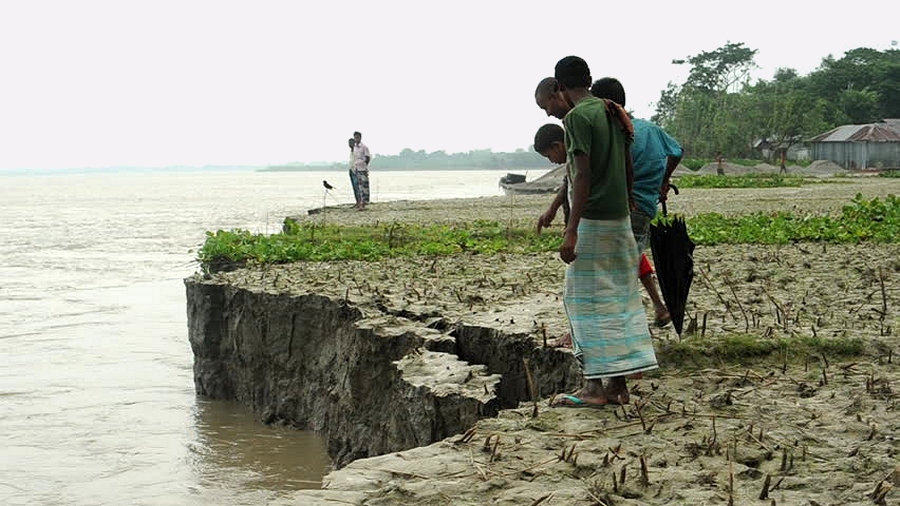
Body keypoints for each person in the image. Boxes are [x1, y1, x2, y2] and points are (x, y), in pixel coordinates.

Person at [539, 56, 658, 407]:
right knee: (619, 299)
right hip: (620, 217)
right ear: (588, 80)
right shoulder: (611, 110)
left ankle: (593, 388)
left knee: (583, 302)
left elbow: (583, 175)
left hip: (593, 221)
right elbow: (628, 164)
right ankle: (618, 386)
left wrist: (571, 229)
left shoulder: (578, 118)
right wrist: (627, 200)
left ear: (560, 86)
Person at [591, 77, 683, 328]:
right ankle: (658, 308)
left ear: (603, 105)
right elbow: (676, 151)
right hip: (644, 209)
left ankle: (622, 323)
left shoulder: (615, 135)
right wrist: (663, 180)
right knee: (630, 259)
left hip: (621, 208)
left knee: (617, 269)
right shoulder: (651, 130)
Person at [352, 131, 371, 210]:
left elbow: (367, 158)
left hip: (362, 168)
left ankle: (364, 203)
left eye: (357, 137)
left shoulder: (364, 147)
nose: (356, 139)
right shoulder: (355, 147)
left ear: (360, 137)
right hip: (356, 169)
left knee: (364, 187)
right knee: (359, 187)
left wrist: (364, 166)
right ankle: (360, 203)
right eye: (355, 137)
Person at [347, 137, 362, 207]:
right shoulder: (351, 151)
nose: (349, 144)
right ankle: (357, 202)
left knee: (357, 187)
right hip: (351, 170)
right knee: (354, 187)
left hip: (356, 170)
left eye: (351, 143)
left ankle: (360, 202)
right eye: (349, 143)